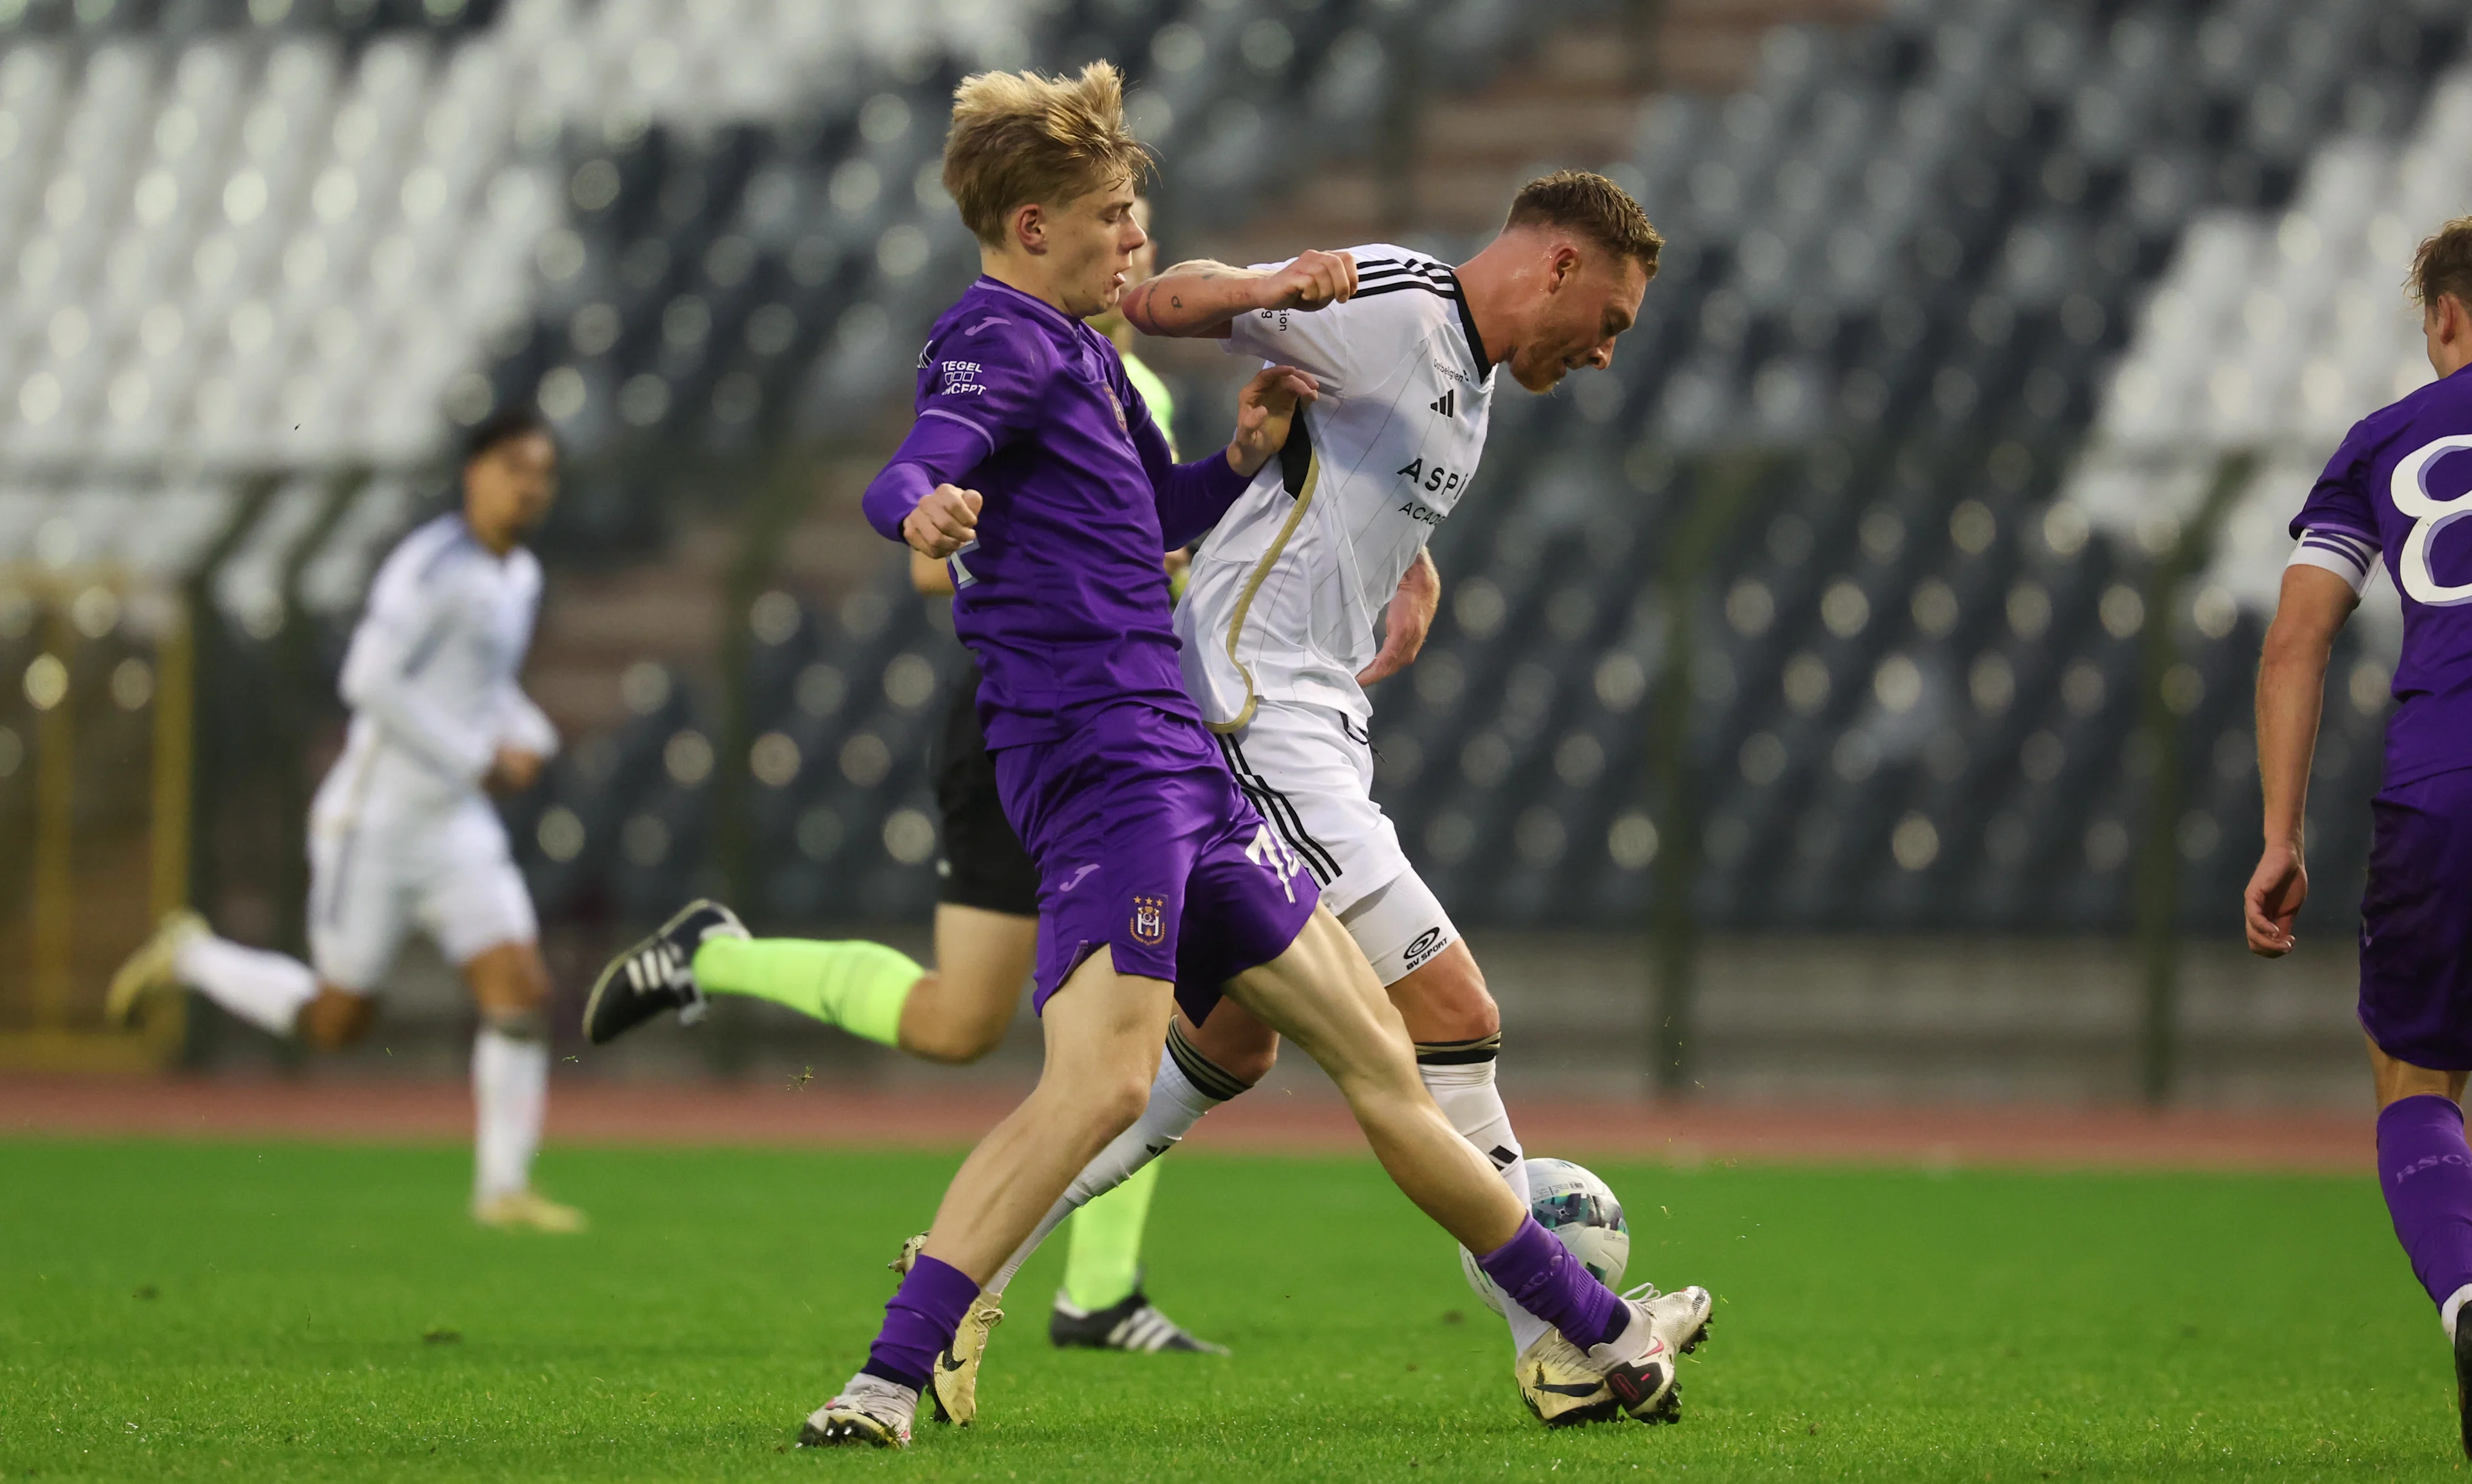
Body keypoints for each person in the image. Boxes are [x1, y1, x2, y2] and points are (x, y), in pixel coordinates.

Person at [783, 60, 1699, 1451]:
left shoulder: (1086, 358)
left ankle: (1599, 1332)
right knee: (1107, 1077)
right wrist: (921, 509)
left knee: (1367, 1060)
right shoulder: (1001, 336)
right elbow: (915, 460)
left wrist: (1244, 457)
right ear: (1035, 228)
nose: (1133, 242)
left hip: (1185, 759)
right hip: (1114, 754)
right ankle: (887, 1370)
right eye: (1111, 215)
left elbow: (1151, 512)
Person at [581, 195, 1233, 1356]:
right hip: (1023, 724)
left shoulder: (1148, 399)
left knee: (1165, 999)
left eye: (1143, 228)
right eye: (1117, 225)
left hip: (1135, 736)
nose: (1135, 245)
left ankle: (1100, 1288)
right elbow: (939, 568)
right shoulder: (1007, 362)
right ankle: (717, 956)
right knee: (956, 1022)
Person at [1102, 167, 1669, 1424]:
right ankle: (1565, 1336)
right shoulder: (1398, 299)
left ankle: (965, 1262)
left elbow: (1363, 468)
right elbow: (1159, 303)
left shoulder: (1465, 383)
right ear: (1560, 266)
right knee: (1452, 1010)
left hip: (1311, 721)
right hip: (1254, 714)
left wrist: (1409, 569)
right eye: (1613, 322)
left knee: (1226, 1042)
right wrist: (1268, 284)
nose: (1609, 355)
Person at [108, 407, 579, 1233]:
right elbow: (369, 680)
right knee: (338, 1021)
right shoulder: (430, 565)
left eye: (542, 471)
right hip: (378, 823)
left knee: (520, 989)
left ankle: (501, 1189)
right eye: (514, 466)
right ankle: (191, 954)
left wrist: (528, 733)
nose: (529, 484)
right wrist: (476, 757)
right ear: (473, 472)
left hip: (456, 825)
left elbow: (478, 684)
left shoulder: (519, 574)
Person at [2246, 212, 2472, 1456]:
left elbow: (2297, 641)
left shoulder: (2383, 442)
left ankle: (2466, 1298)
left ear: (2444, 318)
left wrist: (2280, 835)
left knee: (2418, 1076)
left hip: (2444, 783)